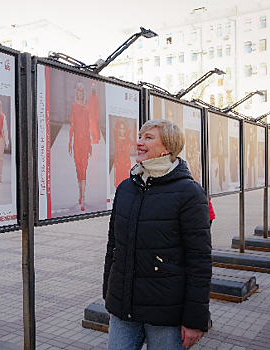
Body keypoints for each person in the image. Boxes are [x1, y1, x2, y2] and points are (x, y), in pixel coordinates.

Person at [104, 118, 211, 350]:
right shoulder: (126, 188)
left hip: (166, 312)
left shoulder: (189, 193)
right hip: (124, 308)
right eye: (140, 137)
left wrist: (195, 319)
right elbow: (114, 248)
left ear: (168, 147)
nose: (139, 143)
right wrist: (110, 298)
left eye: (148, 138)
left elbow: (199, 261)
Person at [68, 82, 91, 211]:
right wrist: (69, 142)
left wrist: (90, 144)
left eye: (82, 90)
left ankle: (83, 198)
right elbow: (72, 126)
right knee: (78, 170)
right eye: (78, 90)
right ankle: (79, 194)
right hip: (77, 142)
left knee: (84, 171)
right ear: (76, 91)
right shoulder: (74, 106)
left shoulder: (86, 109)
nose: (80, 92)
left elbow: (87, 128)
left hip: (84, 143)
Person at [113, 119, 133, 188]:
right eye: (120, 129)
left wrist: (129, 168)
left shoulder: (127, 140)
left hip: (125, 166)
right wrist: (115, 174)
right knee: (118, 186)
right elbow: (116, 156)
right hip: (119, 166)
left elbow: (128, 155)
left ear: (125, 130)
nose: (122, 131)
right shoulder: (117, 141)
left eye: (123, 129)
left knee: (126, 186)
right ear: (118, 130)